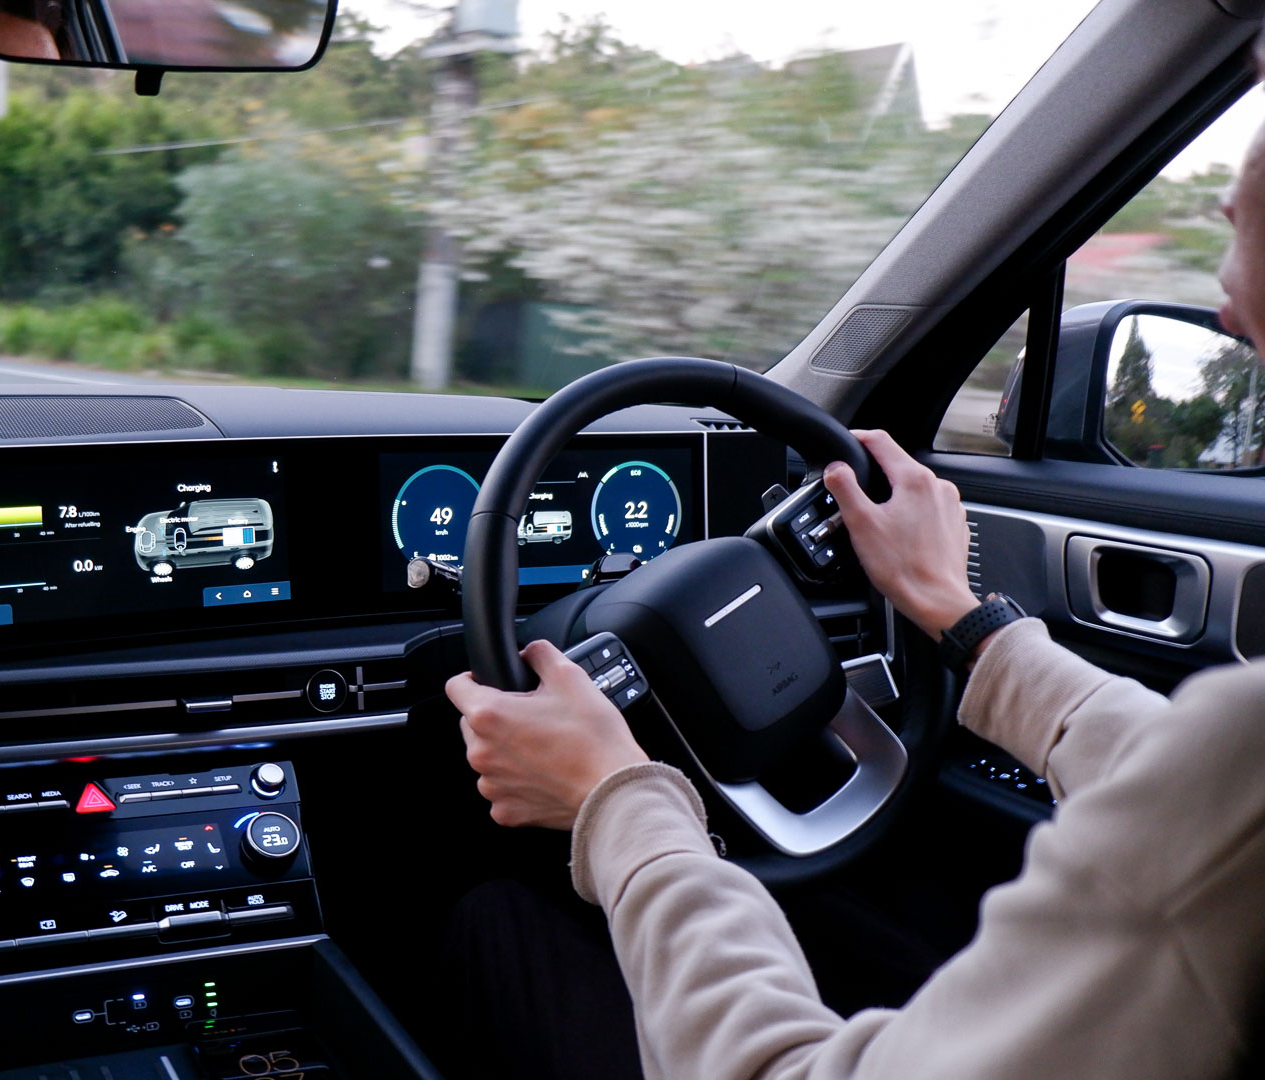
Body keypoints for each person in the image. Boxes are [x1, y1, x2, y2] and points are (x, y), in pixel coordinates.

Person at [443, 46, 1265, 1079]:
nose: (1227, 319)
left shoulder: (1240, 781)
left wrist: (616, 794)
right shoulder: (1236, 763)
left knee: (498, 918)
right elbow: (1188, 776)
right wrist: (960, 617)